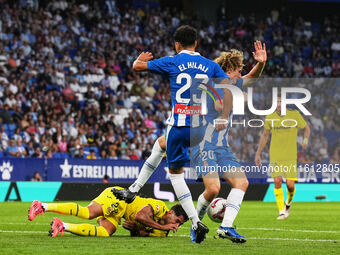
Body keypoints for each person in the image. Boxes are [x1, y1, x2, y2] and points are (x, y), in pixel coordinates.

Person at [114, 41, 267, 243]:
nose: (242, 72)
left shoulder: (230, 84)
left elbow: (251, 78)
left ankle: (226, 227)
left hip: (221, 147)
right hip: (203, 144)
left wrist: (261, 64)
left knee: (242, 182)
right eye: (240, 69)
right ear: (230, 69)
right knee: (213, 189)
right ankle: (196, 224)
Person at [28, 187, 188, 238]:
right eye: (177, 220)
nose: (176, 225)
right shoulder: (160, 206)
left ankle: (62, 226)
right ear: (171, 212)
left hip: (120, 213)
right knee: (87, 213)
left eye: (179, 224)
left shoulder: (162, 233)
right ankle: (42, 206)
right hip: (120, 198)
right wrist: (164, 228)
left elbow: (141, 234)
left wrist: (135, 231)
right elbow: (140, 216)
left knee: (105, 232)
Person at [255, 97, 310, 219]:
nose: (279, 106)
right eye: (277, 104)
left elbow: (306, 128)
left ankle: (288, 205)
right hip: (275, 155)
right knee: (277, 181)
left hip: (290, 155)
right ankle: (281, 211)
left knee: (290, 185)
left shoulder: (294, 115)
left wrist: (305, 140)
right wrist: (258, 153)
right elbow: (265, 136)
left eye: (281, 103)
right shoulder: (270, 117)